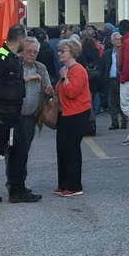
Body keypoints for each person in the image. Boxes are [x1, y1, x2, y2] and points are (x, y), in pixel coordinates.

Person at [0, 24, 42, 204]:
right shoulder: (0, 57)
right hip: (0, 114)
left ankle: (17, 190)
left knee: (18, 149)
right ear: (20, 39)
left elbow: (11, 82)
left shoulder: (12, 57)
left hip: (13, 114)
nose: (25, 43)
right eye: (25, 39)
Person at [7, 37, 51, 196]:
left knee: (24, 151)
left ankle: (20, 183)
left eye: (35, 52)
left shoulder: (40, 68)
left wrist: (49, 90)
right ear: (22, 52)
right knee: (12, 151)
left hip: (31, 116)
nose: (32, 55)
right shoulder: (14, 65)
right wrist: (27, 79)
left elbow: (48, 86)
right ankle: (13, 184)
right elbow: (7, 85)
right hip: (13, 117)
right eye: (29, 51)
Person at [55, 38, 92, 196]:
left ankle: (74, 185)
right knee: (62, 149)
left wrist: (64, 78)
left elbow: (72, 92)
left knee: (71, 150)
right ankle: (63, 183)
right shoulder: (66, 69)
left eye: (63, 51)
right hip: (65, 113)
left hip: (76, 113)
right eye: (59, 51)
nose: (60, 54)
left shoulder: (77, 70)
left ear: (72, 53)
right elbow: (61, 90)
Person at [102, 32, 125, 130]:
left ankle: (124, 121)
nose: (118, 41)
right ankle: (114, 122)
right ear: (112, 41)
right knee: (111, 102)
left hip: (121, 79)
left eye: (120, 39)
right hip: (111, 79)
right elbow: (103, 66)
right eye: (116, 39)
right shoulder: (107, 53)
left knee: (123, 101)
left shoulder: (124, 51)